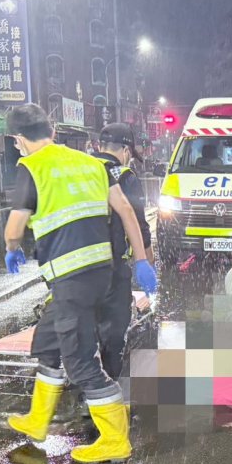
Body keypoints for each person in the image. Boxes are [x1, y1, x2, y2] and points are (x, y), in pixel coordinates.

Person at [2, 104, 157, 463]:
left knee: (80, 361)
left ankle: (115, 439)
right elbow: (126, 211)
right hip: (101, 274)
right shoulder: (91, 163)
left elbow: (14, 227)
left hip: (72, 280)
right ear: (53, 131)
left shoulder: (31, 167)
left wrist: (12, 248)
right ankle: (38, 419)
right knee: (49, 341)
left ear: (18, 139)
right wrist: (142, 260)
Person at [93, 122, 154, 380]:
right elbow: (138, 223)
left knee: (87, 328)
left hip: (78, 266)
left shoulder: (82, 170)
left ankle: (85, 383)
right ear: (126, 150)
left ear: (99, 146)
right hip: (112, 266)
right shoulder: (125, 176)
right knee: (115, 330)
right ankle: (107, 385)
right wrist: (146, 261)